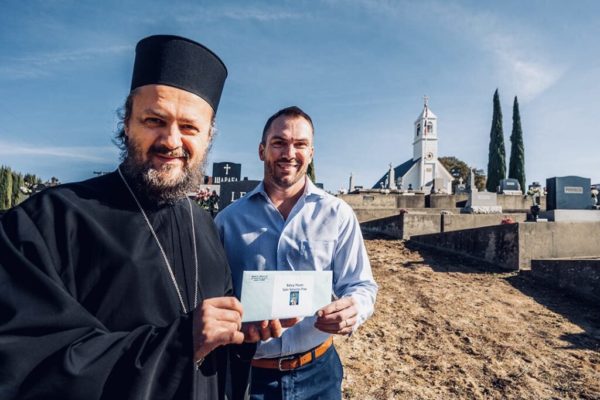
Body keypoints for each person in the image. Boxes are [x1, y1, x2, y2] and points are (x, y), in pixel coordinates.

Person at [0, 35, 257, 400]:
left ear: (208, 137)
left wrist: (242, 333)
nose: (171, 140)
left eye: (189, 127)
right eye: (154, 120)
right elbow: (26, 361)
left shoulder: (204, 225)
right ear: (126, 122)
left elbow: (218, 343)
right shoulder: (49, 220)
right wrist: (180, 342)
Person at [215, 106, 378, 399]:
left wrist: (354, 308)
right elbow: (211, 295)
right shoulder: (228, 221)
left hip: (319, 373)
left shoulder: (337, 214)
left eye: (300, 144)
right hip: (249, 376)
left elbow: (361, 284)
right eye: (279, 143)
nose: (289, 153)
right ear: (262, 150)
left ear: (311, 153)